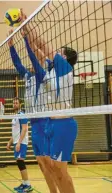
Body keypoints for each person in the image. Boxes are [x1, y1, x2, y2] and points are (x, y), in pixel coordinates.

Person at [21, 10, 78, 193]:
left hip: (63, 124)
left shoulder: (64, 67)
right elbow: (36, 50)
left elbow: (42, 44)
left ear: (65, 58)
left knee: (60, 171)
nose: (55, 54)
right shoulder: (52, 70)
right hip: (51, 123)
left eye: (59, 53)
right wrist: (25, 37)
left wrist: (26, 23)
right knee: (53, 168)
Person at [8, 30, 58, 193]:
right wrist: (11, 46)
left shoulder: (42, 76)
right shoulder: (27, 76)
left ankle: (58, 188)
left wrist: (25, 39)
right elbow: (17, 64)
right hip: (34, 124)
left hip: (43, 122)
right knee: (42, 165)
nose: (36, 63)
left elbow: (32, 59)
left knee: (48, 163)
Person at [6, 97, 33, 193]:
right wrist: (10, 142)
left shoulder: (22, 115)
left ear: (20, 104)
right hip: (16, 141)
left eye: (16, 103)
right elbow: (16, 132)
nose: (14, 104)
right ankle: (24, 183)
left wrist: (19, 142)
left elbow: (24, 129)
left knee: (21, 162)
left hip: (21, 142)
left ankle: (28, 185)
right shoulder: (15, 116)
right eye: (13, 103)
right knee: (19, 163)